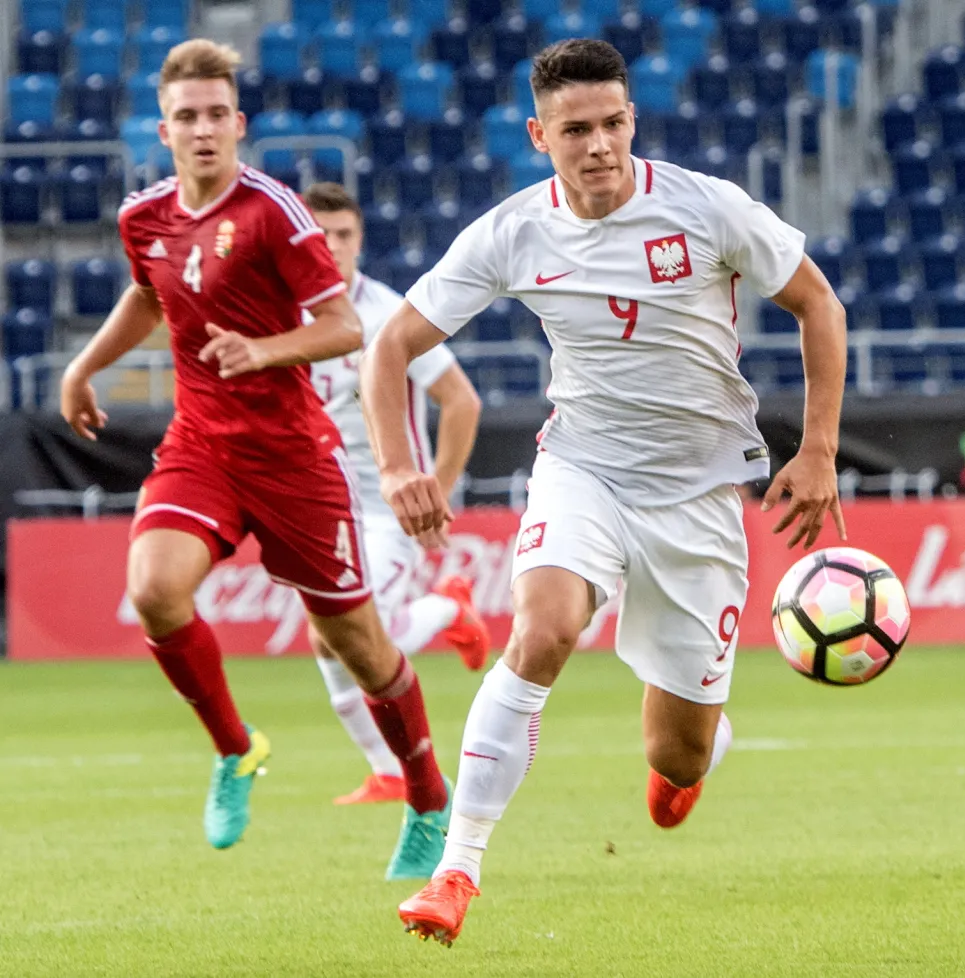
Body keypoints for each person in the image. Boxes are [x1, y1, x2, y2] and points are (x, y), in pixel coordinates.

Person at [361, 39, 849, 947]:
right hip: (583, 465)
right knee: (542, 630)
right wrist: (398, 464)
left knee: (677, 756)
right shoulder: (513, 231)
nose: (598, 145)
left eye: (614, 123)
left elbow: (821, 304)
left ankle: (693, 751)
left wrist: (818, 450)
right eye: (576, 129)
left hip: (701, 495)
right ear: (538, 134)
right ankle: (457, 869)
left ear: (633, 122)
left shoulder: (708, 209)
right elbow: (390, 346)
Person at [57, 40, 452, 877]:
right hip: (201, 445)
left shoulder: (276, 213)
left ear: (239, 125)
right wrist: (86, 365)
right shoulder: (145, 217)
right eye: (186, 118)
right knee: (154, 591)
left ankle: (426, 797)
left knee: (362, 647)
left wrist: (266, 350)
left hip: (292, 456)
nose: (203, 131)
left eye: (216, 116)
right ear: (162, 130)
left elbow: (345, 327)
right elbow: (145, 293)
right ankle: (235, 749)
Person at [302, 182, 492, 806]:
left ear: (360, 239)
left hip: (387, 508)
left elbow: (461, 400)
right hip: (321, 506)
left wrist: (436, 488)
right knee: (324, 639)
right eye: (319, 234)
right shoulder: (284, 317)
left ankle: (448, 610)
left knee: (364, 628)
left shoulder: (387, 314)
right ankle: (386, 770)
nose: (331, 247)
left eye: (344, 235)